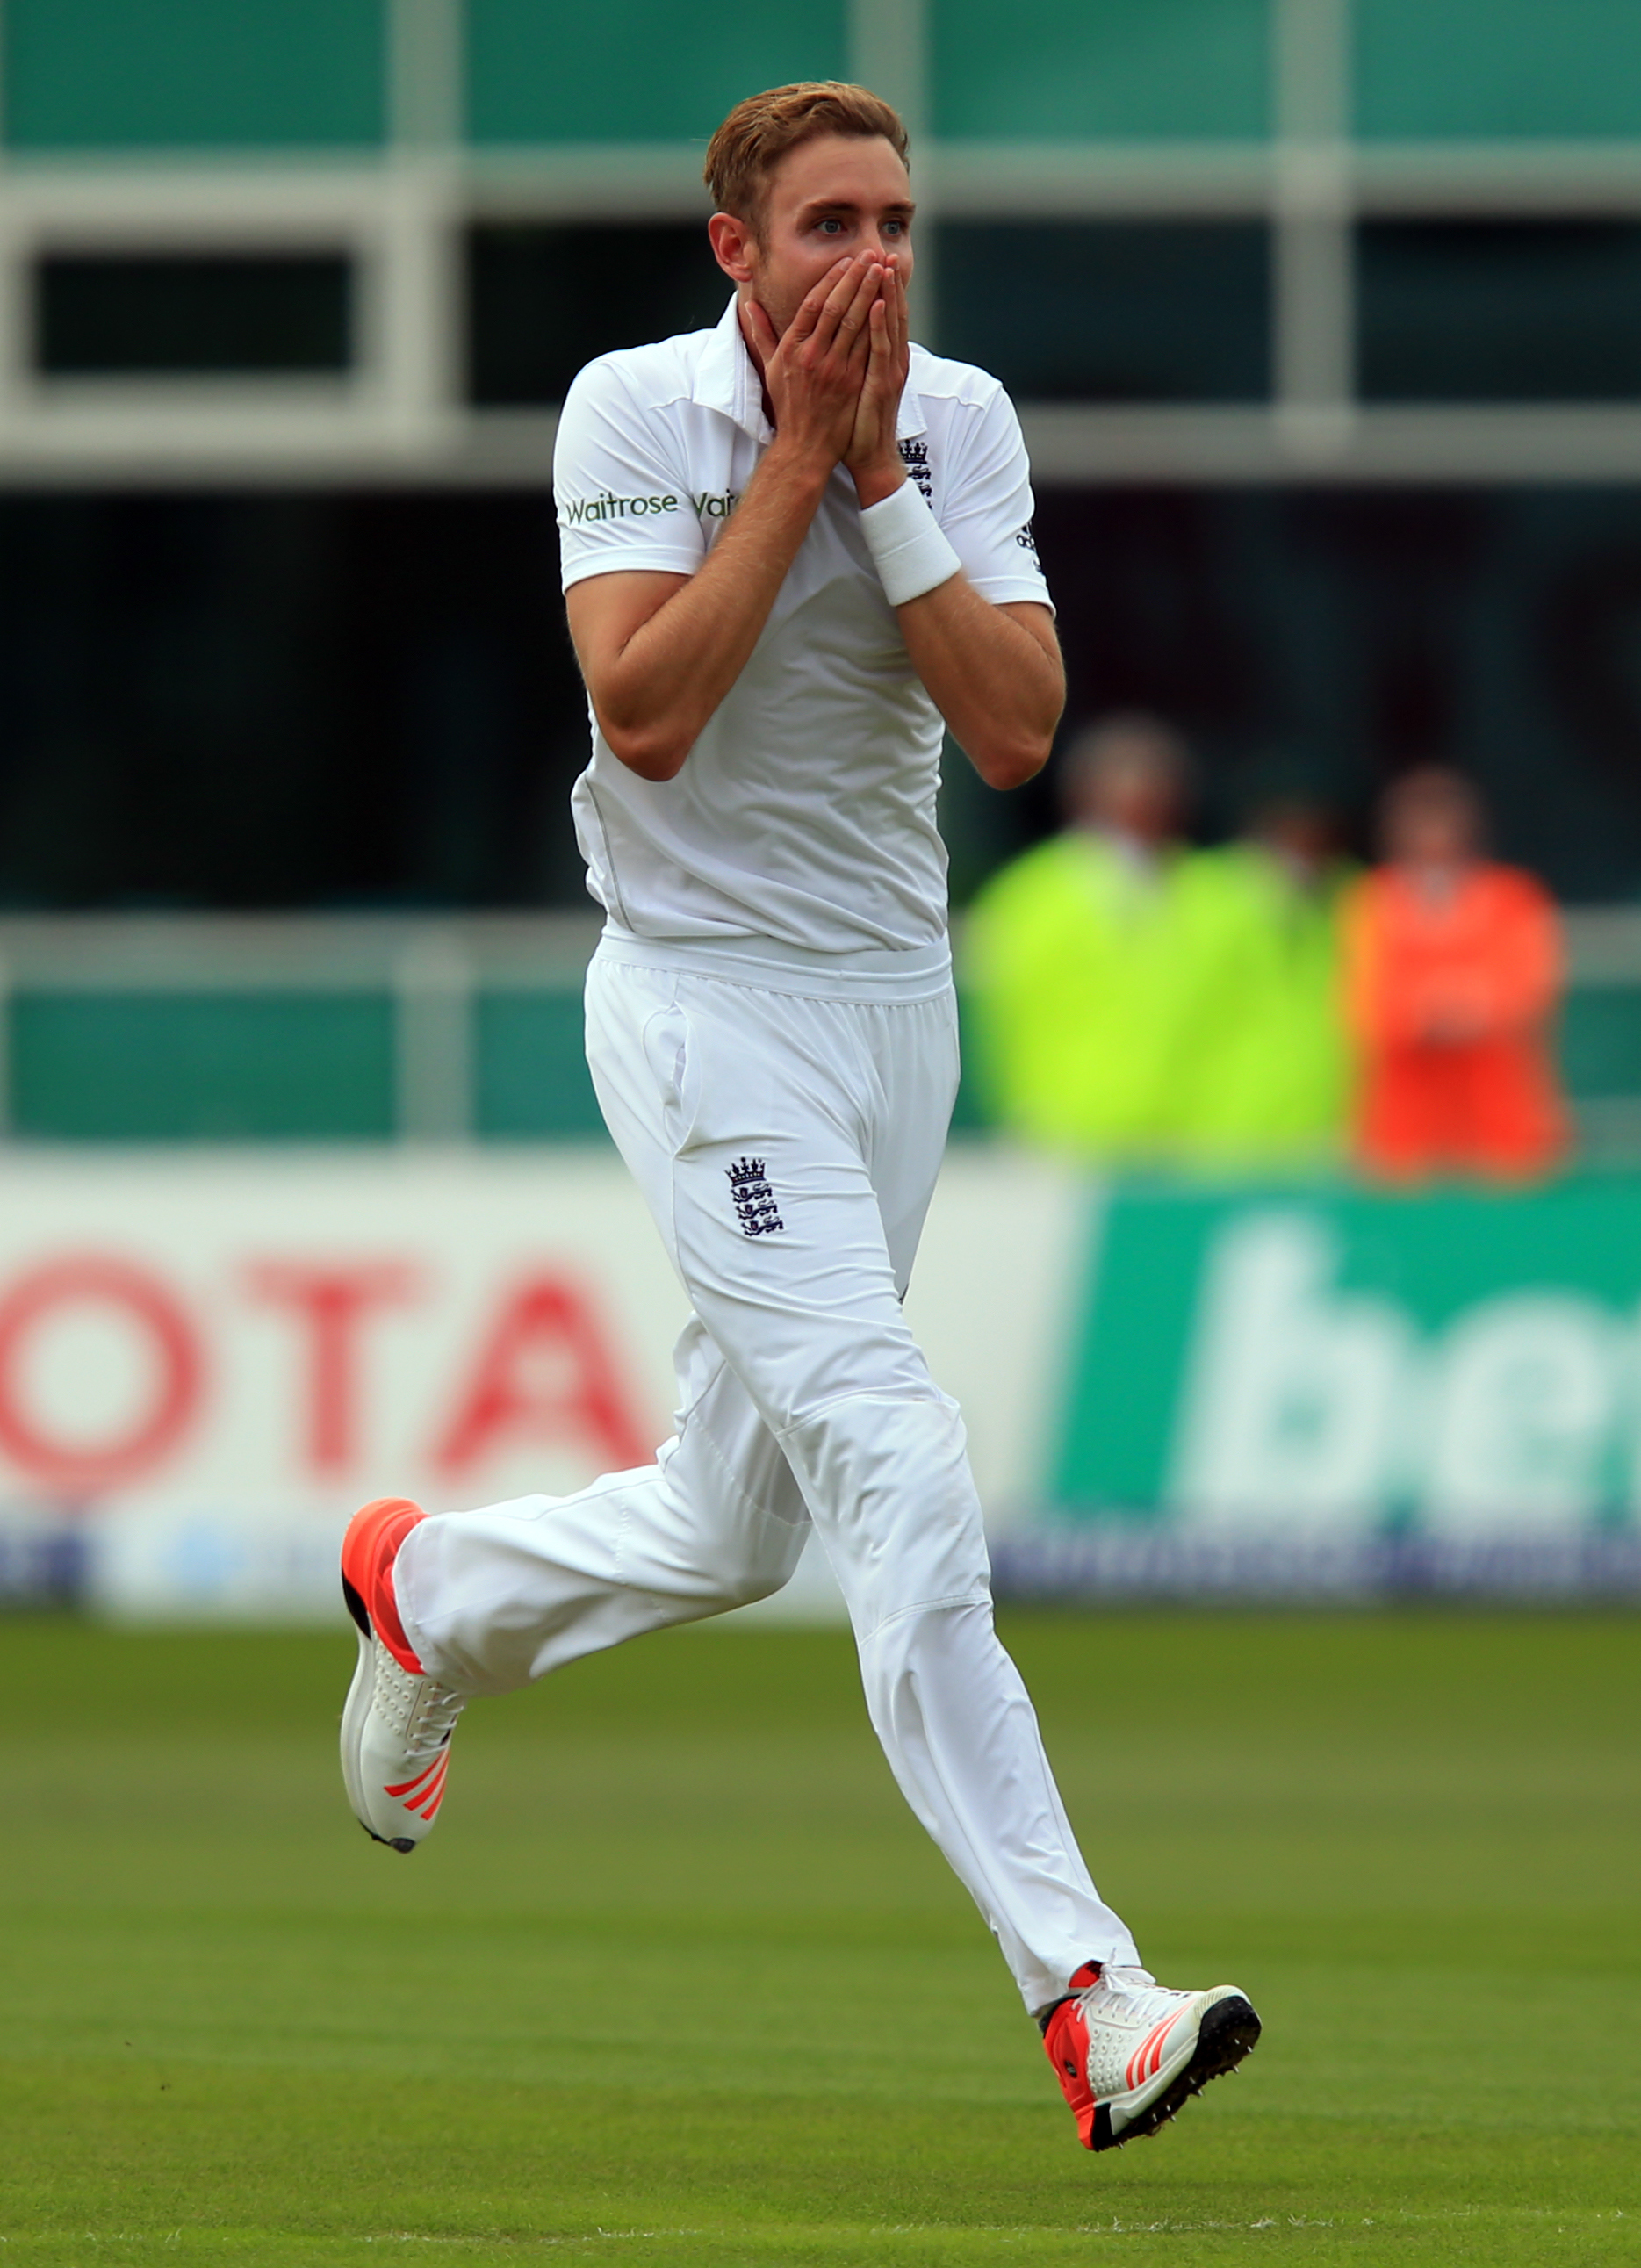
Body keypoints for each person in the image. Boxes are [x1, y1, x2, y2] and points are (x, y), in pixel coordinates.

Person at [335, 83, 1259, 2152]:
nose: (877, 259)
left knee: (732, 1525)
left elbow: (1014, 731)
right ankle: (1090, 1995)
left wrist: (882, 479)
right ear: (736, 249)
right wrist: (792, 464)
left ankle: (432, 1591)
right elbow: (648, 715)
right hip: (704, 1006)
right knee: (898, 1456)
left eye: (899, 220)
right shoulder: (630, 409)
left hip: (891, 1015)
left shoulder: (963, 420)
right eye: (833, 221)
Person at [965, 714, 1227, 1160]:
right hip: (1066, 1140)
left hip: (1192, 1142)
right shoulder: (1030, 898)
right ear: (1085, 794)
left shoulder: (1215, 894)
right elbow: (995, 1026)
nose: (1143, 803)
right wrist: (1021, 1117)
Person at [1343, 767, 1568, 1182]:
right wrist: (1429, 1013)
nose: (1433, 837)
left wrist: (1467, 1009)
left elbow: (1528, 993)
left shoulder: (1514, 896)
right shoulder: (1372, 900)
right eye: (1419, 823)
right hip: (1405, 1132)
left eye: (1443, 821)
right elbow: (1367, 1002)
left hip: (1501, 1126)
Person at [1178, 793, 1352, 1170]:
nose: (1303, 845)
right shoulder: (1200, 893)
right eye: (1289, 831)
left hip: (1328, 1129)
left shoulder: (1349, 897)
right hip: (1223, 1130)